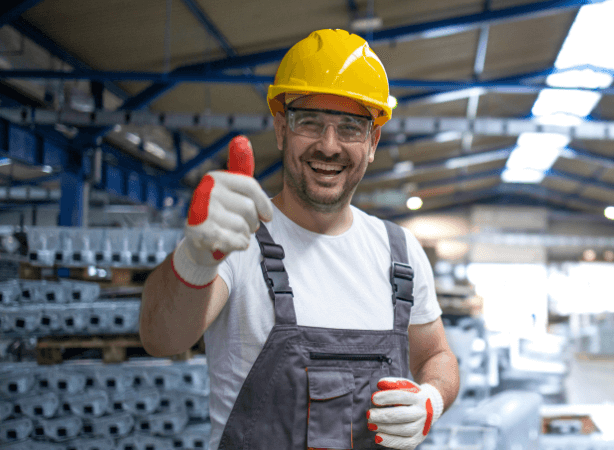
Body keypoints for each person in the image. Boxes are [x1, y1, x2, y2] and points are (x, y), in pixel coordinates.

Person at [139, 29, 459, 450]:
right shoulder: (238, 241)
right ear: (280, 129)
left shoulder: (400, 253)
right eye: (309, 122)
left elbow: (437, 356)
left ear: (372, 141)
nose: (329, 146)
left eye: (350, 127)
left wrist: (432, 398)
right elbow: (162, 338)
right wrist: (196, 258)